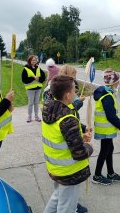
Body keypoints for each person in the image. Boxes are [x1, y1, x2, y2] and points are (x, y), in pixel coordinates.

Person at [42, 75, 93, 213]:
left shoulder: (49, 109)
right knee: (67, 208)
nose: (76, 93)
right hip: (69, 172)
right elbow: (79, 153)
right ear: (68, 95)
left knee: (58, 197)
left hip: (56, 168)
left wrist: (79, 136)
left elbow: (60, 137)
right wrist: (89, 147)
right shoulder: (67, 118)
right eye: (74, 90)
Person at [92, 68, 120, 185]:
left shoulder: (106, 92)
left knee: (109, 149)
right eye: (118, 81)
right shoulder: (107, 96)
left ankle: (110, 173)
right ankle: (97, 175)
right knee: (104, 151)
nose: (119, 83)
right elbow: (111, 116)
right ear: (114, 82)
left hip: (106, 128)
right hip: (105, 129)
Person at [22, 55, 46, 122]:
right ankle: (29, 116)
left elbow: (43, 77)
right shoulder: (25, 69)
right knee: (30, 103)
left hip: (38, 88)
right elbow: (24, 80)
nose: (34, 61)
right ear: (29, 61)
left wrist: (39, 79)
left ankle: (36, 116)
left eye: (35, 60)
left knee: (36, 103)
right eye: (32, 60)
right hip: (30, 89)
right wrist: (33, 78)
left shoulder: (38, 68)